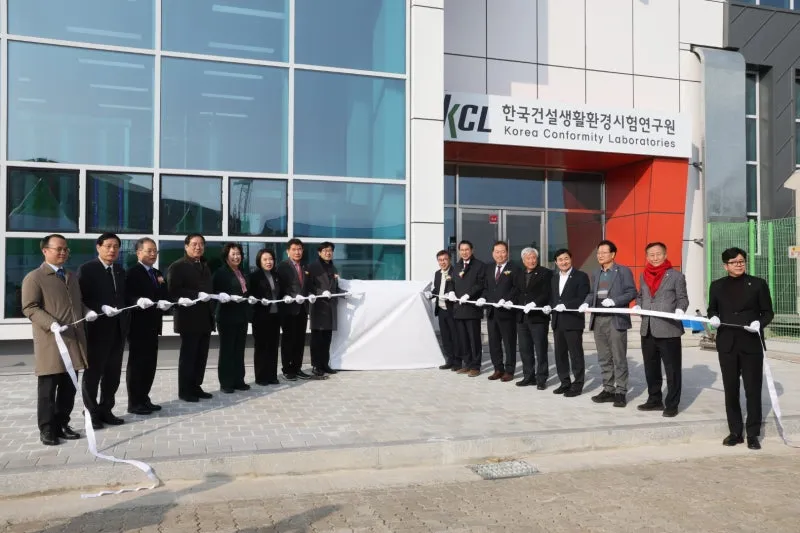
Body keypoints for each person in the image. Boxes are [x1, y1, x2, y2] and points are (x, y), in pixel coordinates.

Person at [21, 235, 89, 446]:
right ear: (45, 250)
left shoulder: (71, 276)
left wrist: (89, 311)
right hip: (51, 342)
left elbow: (77, 303)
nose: (63, 252)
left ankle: (62, 424)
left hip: (73, 341)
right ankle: (47, 429)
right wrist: (51, 323)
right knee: (48, 390)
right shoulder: (35, 277)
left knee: (69, 388)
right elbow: (30, 307)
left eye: (66, 249)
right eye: (58, 249)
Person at [707, 247, 774, 450]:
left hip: (751, 343)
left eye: (742, 261)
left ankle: (753, 434)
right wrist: (713, 318)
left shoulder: (758, 284)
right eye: (734, 262)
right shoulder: (717, 286)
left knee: (753, 389)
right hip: (727, 344)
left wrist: (759, 323)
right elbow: (712, 308)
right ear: (725, 266)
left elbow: (768, 312)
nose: (739, 265)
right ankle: (735, 432)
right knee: (731, 389)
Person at [78, 232, 129, 428]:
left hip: (118, 329)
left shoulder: (120, 270)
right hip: (97, 330)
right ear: (98, 247)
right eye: (108, 246)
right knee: (93, 373)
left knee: (112, 374)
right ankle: (91, 412)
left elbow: (124, 297)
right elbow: (82, 298)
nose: (112, 250)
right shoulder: (87, 269)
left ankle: (106, 409)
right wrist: (100, 308)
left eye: (116, 246)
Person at [634, 242, 689, 418]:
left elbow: (682, 298)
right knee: (651, 368)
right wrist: (637, 305)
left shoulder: (676, 276)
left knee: (672, 369)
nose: (655, 258)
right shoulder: (643, 275)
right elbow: (641, 296)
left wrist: (680, 309)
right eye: (651, 255)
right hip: (648, 328)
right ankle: (654, 399)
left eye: (658, 254)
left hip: (668, 328)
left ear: (665, 255)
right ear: (647, 257)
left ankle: (672, 404)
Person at [579, 240, 636, 408]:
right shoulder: (596, 272)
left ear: (613, 254)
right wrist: (586, 302)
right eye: (598, 253)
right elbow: (592, 293)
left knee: (618, 357)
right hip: (599, 319)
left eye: (604, 252)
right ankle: (608, 389)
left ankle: (621, 392)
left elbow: (632, 292)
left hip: (615, 318)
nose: (600, 255)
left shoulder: (623, 271)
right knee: (604, 357)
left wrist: (615, 301)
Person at [168, 233, 215, 403]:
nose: (198, 247)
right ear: (186, 246)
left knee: (201, 356)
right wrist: (196, 294)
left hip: (205, 318)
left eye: (201, 244)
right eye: (194, 244)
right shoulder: (178, 266)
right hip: (189, 319)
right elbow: (173, 291)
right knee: (189, 357)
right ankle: (185, 390)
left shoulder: (204, 265)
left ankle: (196, 386)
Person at [124, 237, 169, 415]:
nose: (153, 254)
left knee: (150, 364)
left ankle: (144, 398)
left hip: (153, 325)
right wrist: (137, 301)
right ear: (138, 252)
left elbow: (164, 293)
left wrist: (166, 302)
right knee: (137, 365)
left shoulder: (157, 273)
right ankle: (134, 402)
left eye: (155, 251)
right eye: (149, 251)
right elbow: (127, 296)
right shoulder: (132, 272)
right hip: (138, 326)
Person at [544, 248, 590, 397]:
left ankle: (577, 385)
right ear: (556, 262)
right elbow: (552, 297)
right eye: (560, 260)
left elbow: (582, 296)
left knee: (576, 355)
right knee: (560, 355)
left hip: (573, 321)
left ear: (571, 259)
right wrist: (548, 306)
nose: (563, 262)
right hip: (557, 321)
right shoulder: (554, 278)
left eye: (566, 259)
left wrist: (567, 305)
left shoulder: (581, 276)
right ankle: (564, 382)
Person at [213, 243, 252, 393]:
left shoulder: (241, 271)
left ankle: (238, 380)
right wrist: (224, 296)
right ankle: (226, 383)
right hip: (227, 317)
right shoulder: (220, 273)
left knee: (239, 350)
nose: (236, 257)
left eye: (238, 254)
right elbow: (214, 292)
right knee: (227, 351)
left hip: (241, 316)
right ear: (226, 256)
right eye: (233, 254)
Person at [513, 247, 552, 389]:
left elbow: (547, 292)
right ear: (523, 260)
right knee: (525, 349)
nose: (531, 260)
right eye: (528, 258)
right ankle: (528, 376)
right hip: (522, 317)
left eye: (533, 257)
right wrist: (510, 301)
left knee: (540, 349)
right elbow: (516, 291)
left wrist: (535, 303)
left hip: (538, 318)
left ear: (537, 258)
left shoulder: (545, 273)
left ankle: (541, 379)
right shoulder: (519, 274)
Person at [276, 238, 312, 381]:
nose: (297, 252)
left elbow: (308, 285)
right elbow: (280, 287)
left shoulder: (305, 266)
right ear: (288, 251)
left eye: (299, 249)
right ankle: (287, 369)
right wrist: (288, 296)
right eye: (294, 249)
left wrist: (310, 294)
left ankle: (297, 368)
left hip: (302, 308)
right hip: (288, 308)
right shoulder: (282, 267)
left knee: (300, 340)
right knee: (288, 340)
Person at [483, 241, 519, 382]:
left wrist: (507, 299)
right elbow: (485, 287)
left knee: (509, 343)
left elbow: (516, 288)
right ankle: (498, 369)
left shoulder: (514, 268)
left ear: (507, 253)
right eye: (497, 252)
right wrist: (484, 298)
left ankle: (509, 371)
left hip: (507, 313)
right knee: (494, 343)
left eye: (503, 251)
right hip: (492, 312)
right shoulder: (488, 268)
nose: (500, 254)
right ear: (493, 253)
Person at [248, 249, 282, 386]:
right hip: (261, 316)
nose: (269, 262)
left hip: (275, 316)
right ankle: (261, 376)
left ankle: (272, 375)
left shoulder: (276, 275)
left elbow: (281, 293)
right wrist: (258, 300)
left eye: (271, 259)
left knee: (273, 346)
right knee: (262, 346)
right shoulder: (254, 276)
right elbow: (250, 295)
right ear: (259, 261)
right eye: (265, 259)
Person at [452, 240, 486, 377]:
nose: (464, 252)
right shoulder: (457, 266)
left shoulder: (479, 265)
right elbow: (451, 282)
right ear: (459, 251)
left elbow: (481, 284)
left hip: (472, 309)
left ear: (472, 250)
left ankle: (476, 366)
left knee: (474, 339)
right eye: (462, 250)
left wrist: (468, 294)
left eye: (467, 249)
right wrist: (451, 291)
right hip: (459, 309)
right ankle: (467, 363)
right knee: (463, 339)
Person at [306, 241, 340, 377]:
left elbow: (335, 288)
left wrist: (346, 293)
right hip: (318, 307)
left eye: (330, 250)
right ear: (319, 252)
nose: (328, 253)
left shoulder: (333, 268)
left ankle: (325, 364)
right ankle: (316, 365)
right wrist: (321, 292)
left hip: (330, 307)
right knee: (317, 338)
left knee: (327, 337)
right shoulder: (313, 267)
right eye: (325, 250)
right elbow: (309, 286)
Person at [429, 250, 459, 371]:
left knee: (455, 337)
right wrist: (430, 294)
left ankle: (457, 362)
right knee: (445, 337)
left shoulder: (455, 272)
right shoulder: (437, 274)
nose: (443, 262)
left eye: (445, 259)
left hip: (452, 309)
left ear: (450, 260)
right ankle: (449, 360)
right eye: (440, 260)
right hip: (441, 310)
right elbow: (437, 289)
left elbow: (459, 288)